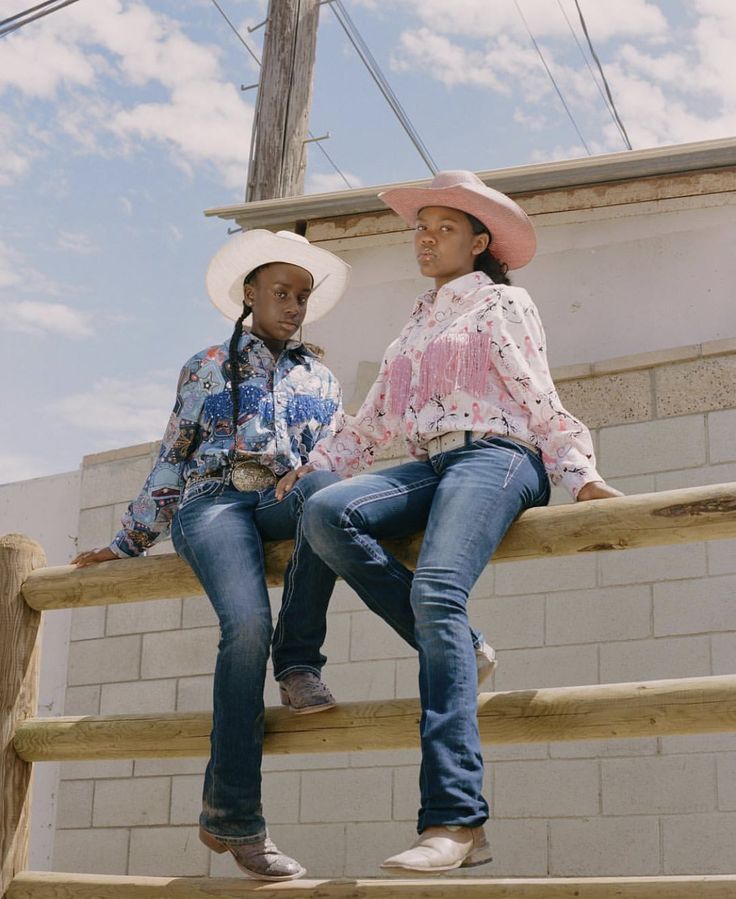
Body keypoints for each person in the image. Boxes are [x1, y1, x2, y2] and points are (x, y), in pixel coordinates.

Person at [277, 170, 622, 874]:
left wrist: (579, 472)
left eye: (443, 228)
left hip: (499, 456)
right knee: (325, 510)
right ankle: (465, 644)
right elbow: (373, 417)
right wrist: (314, 465)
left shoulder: (503, 302)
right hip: (429, 464)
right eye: (420, 227)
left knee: (436, 589)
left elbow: (536, 392)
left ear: (480, 241)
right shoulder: (417, 319)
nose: (425, 239)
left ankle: (457, 821)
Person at [72, 229, 351, 882]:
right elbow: (170, 457)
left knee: (328, 491)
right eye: (281, 292)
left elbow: (338, 454)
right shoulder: (204, 366)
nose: (293, 305)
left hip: (283, 499)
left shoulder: (323, 377)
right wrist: (127, 541)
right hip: (215, 503)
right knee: (247, 624)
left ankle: (300, 661)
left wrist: (309, 471)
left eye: (303, 295)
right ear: (249, 295)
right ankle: (232, 815)